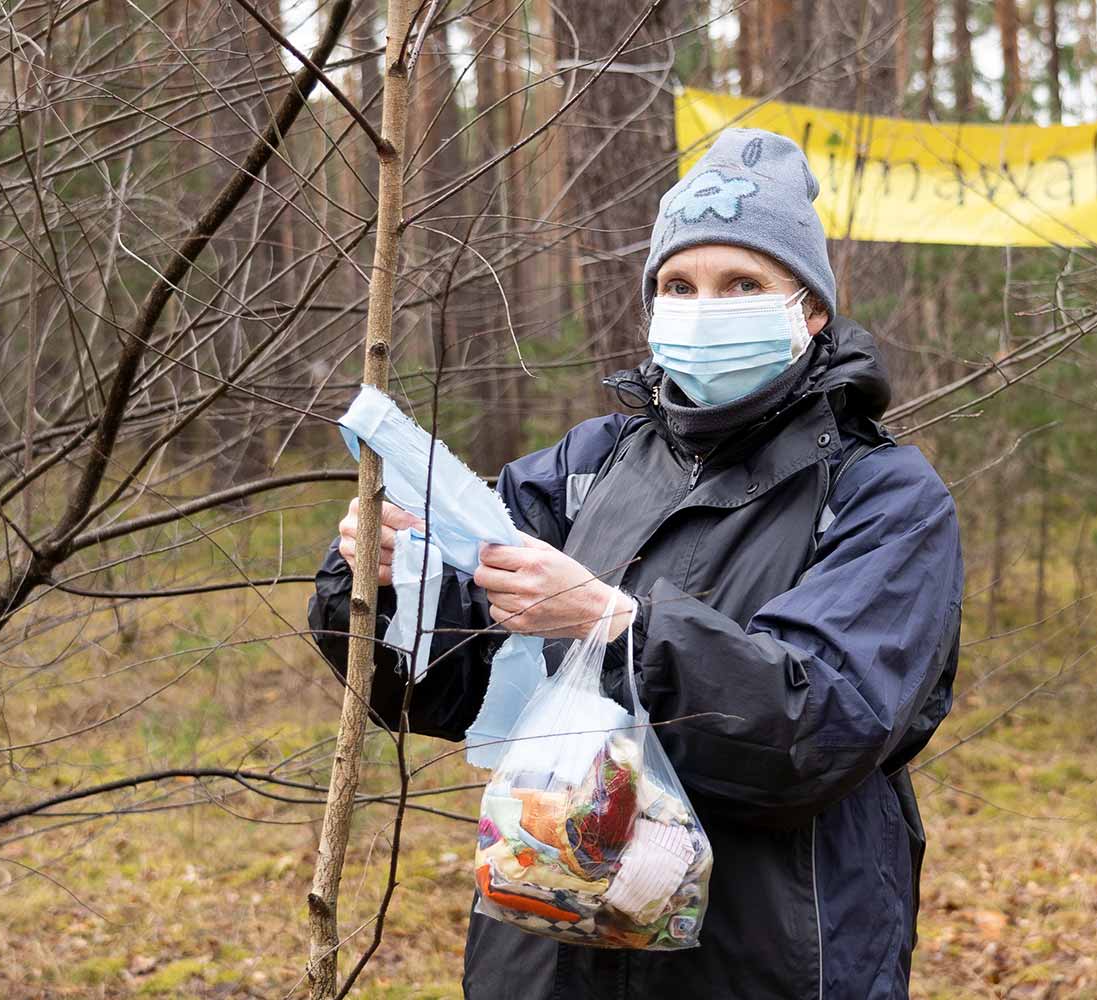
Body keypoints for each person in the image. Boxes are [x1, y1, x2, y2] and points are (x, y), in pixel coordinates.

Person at [308, 127, 964, 1000]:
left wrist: (615, 625)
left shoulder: (882, 495)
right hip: (547, 946)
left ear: (810, 311)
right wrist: (385, 578)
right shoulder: (589, 466)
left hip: (765, 959)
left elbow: (823, 728)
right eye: (678, 285)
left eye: (743, 284)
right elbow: (438, 689)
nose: (705, 307)